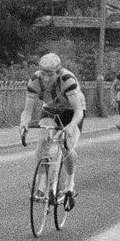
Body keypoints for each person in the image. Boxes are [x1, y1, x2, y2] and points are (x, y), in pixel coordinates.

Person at [19, 52, 85, 210]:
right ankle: (42, 186)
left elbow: (78, 111)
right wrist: (24, 123)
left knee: (66, 147)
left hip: (72, 112)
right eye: (43, 73)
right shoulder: (35, 80)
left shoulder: (67, 80)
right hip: (50, 110)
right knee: (43, 140)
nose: (46, 77)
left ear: (58, 72)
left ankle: (69, 185)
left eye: (50, 74)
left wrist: (71, 126)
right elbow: (27, 110)